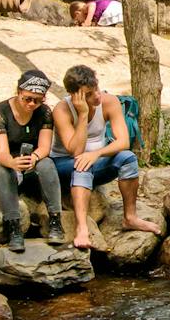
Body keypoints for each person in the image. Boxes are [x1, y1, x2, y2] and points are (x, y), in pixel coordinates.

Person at [50, 64, 161, 251]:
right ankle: (82, 228)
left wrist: (97, 153)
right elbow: (76, 151)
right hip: (64, 164)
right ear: (74, 95)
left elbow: (123, 141)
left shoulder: (109, 102)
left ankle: (130, 217)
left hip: (96, 160)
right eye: (89, 95)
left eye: (97, 90)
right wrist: (83, 114)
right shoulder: (62, 110)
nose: (97, 97)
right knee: (81, 164)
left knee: (127, 158)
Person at [0, 69, 65, 252]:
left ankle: (55, 221)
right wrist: (12, 163)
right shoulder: (0, 112)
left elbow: (44, 147)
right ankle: (13, 227)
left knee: (47, 163)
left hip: (31, 165)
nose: (31, 104)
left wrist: (34, 158)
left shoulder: (44, 112)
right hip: (3, 164)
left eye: (37, 100)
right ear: (19, 91)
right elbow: (2, 152)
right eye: (27, 98)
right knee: (4, 172)